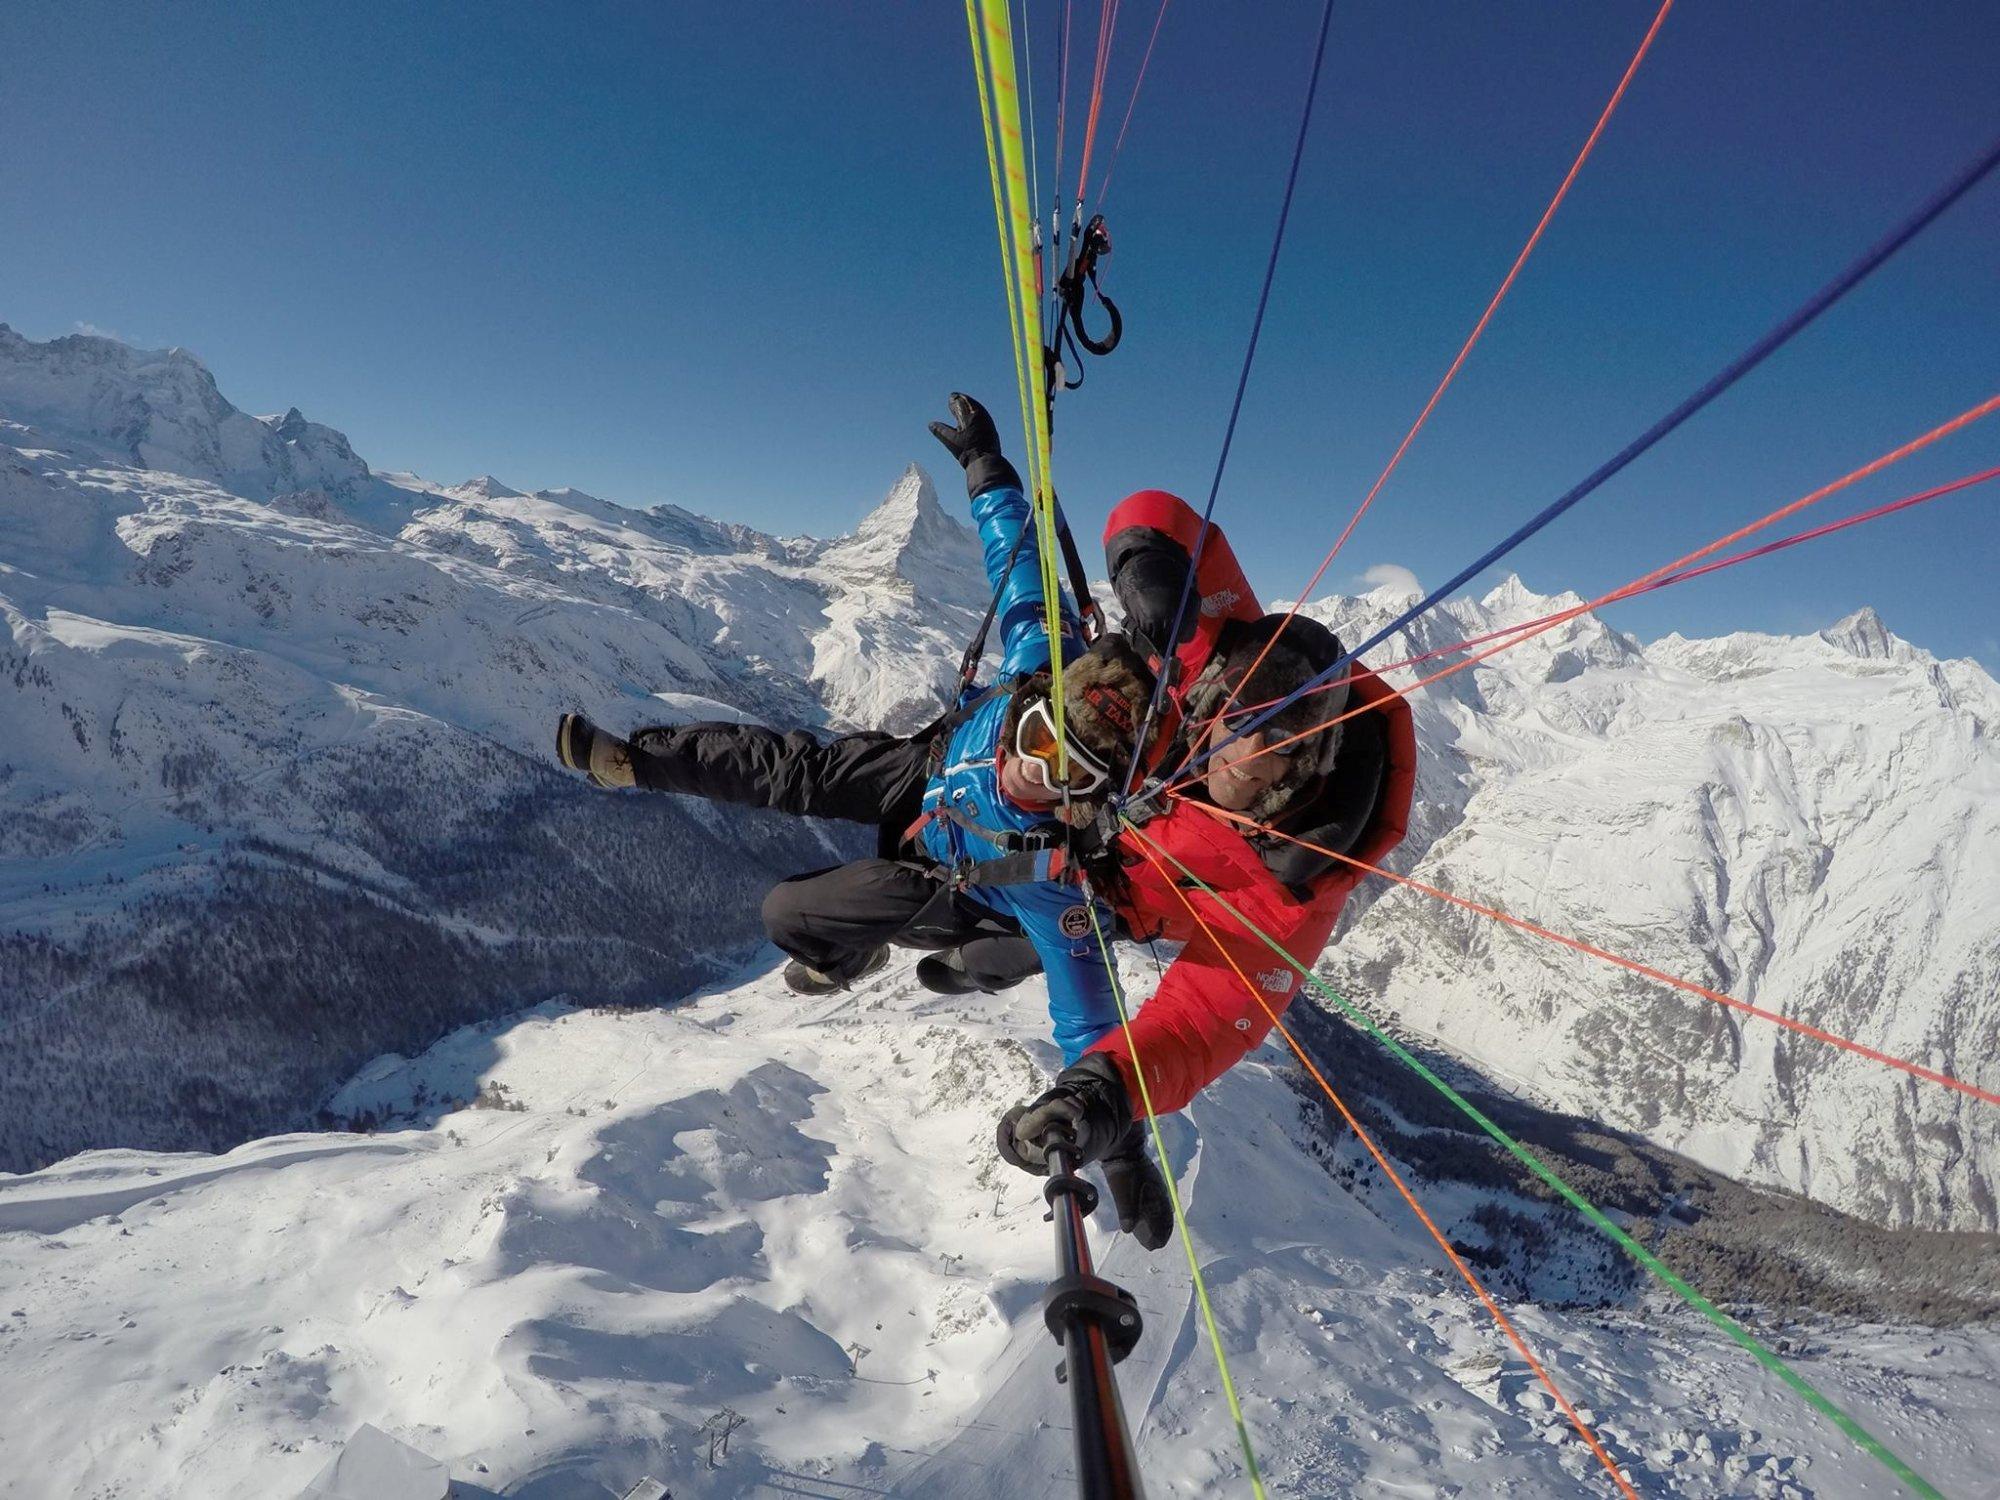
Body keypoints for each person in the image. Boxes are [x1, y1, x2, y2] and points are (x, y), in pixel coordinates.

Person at [554, 389, 1173, 1066]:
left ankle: (988, 950)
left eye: (1070, 774)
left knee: (790, 914)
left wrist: (1100, 1100)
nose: (1036, 770)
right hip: (936, 770)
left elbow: (1091, 1020)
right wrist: (985, 466)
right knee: (799, 771)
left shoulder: (1051, 879)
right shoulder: (1043, 657)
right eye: (1038, 739)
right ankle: (637, 762)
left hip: (963, 879)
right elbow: (1018, 561)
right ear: (1033, 700)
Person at [989, 491, 1417, 1248]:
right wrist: (1146, 561)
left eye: (1283, 747)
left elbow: (1198, 1025)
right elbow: (1172, 524)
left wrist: (1103, 1096)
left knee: (981, 929)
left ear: (1308, 769)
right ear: (1221, 701)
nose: (1251, 754)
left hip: (1102, 905)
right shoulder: (1230, 654)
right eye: (1246, 724)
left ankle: (992, 948)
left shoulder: (1295, 892)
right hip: (1058, 824)